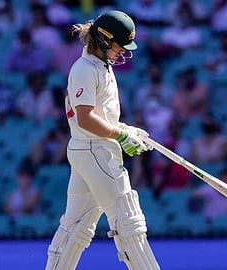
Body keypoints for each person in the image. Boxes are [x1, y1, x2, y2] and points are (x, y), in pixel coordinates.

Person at [45, 10, 160, 270]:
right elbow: (85, 119)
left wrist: (126, 129)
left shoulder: (100, 65)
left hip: (90, 148)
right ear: (105, 39)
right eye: (121, 44)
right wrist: (120, 135)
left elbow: (99, 114)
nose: (123, 51)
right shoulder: (85, 69)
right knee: (128, 220)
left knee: (76, 227)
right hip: (95, 150)